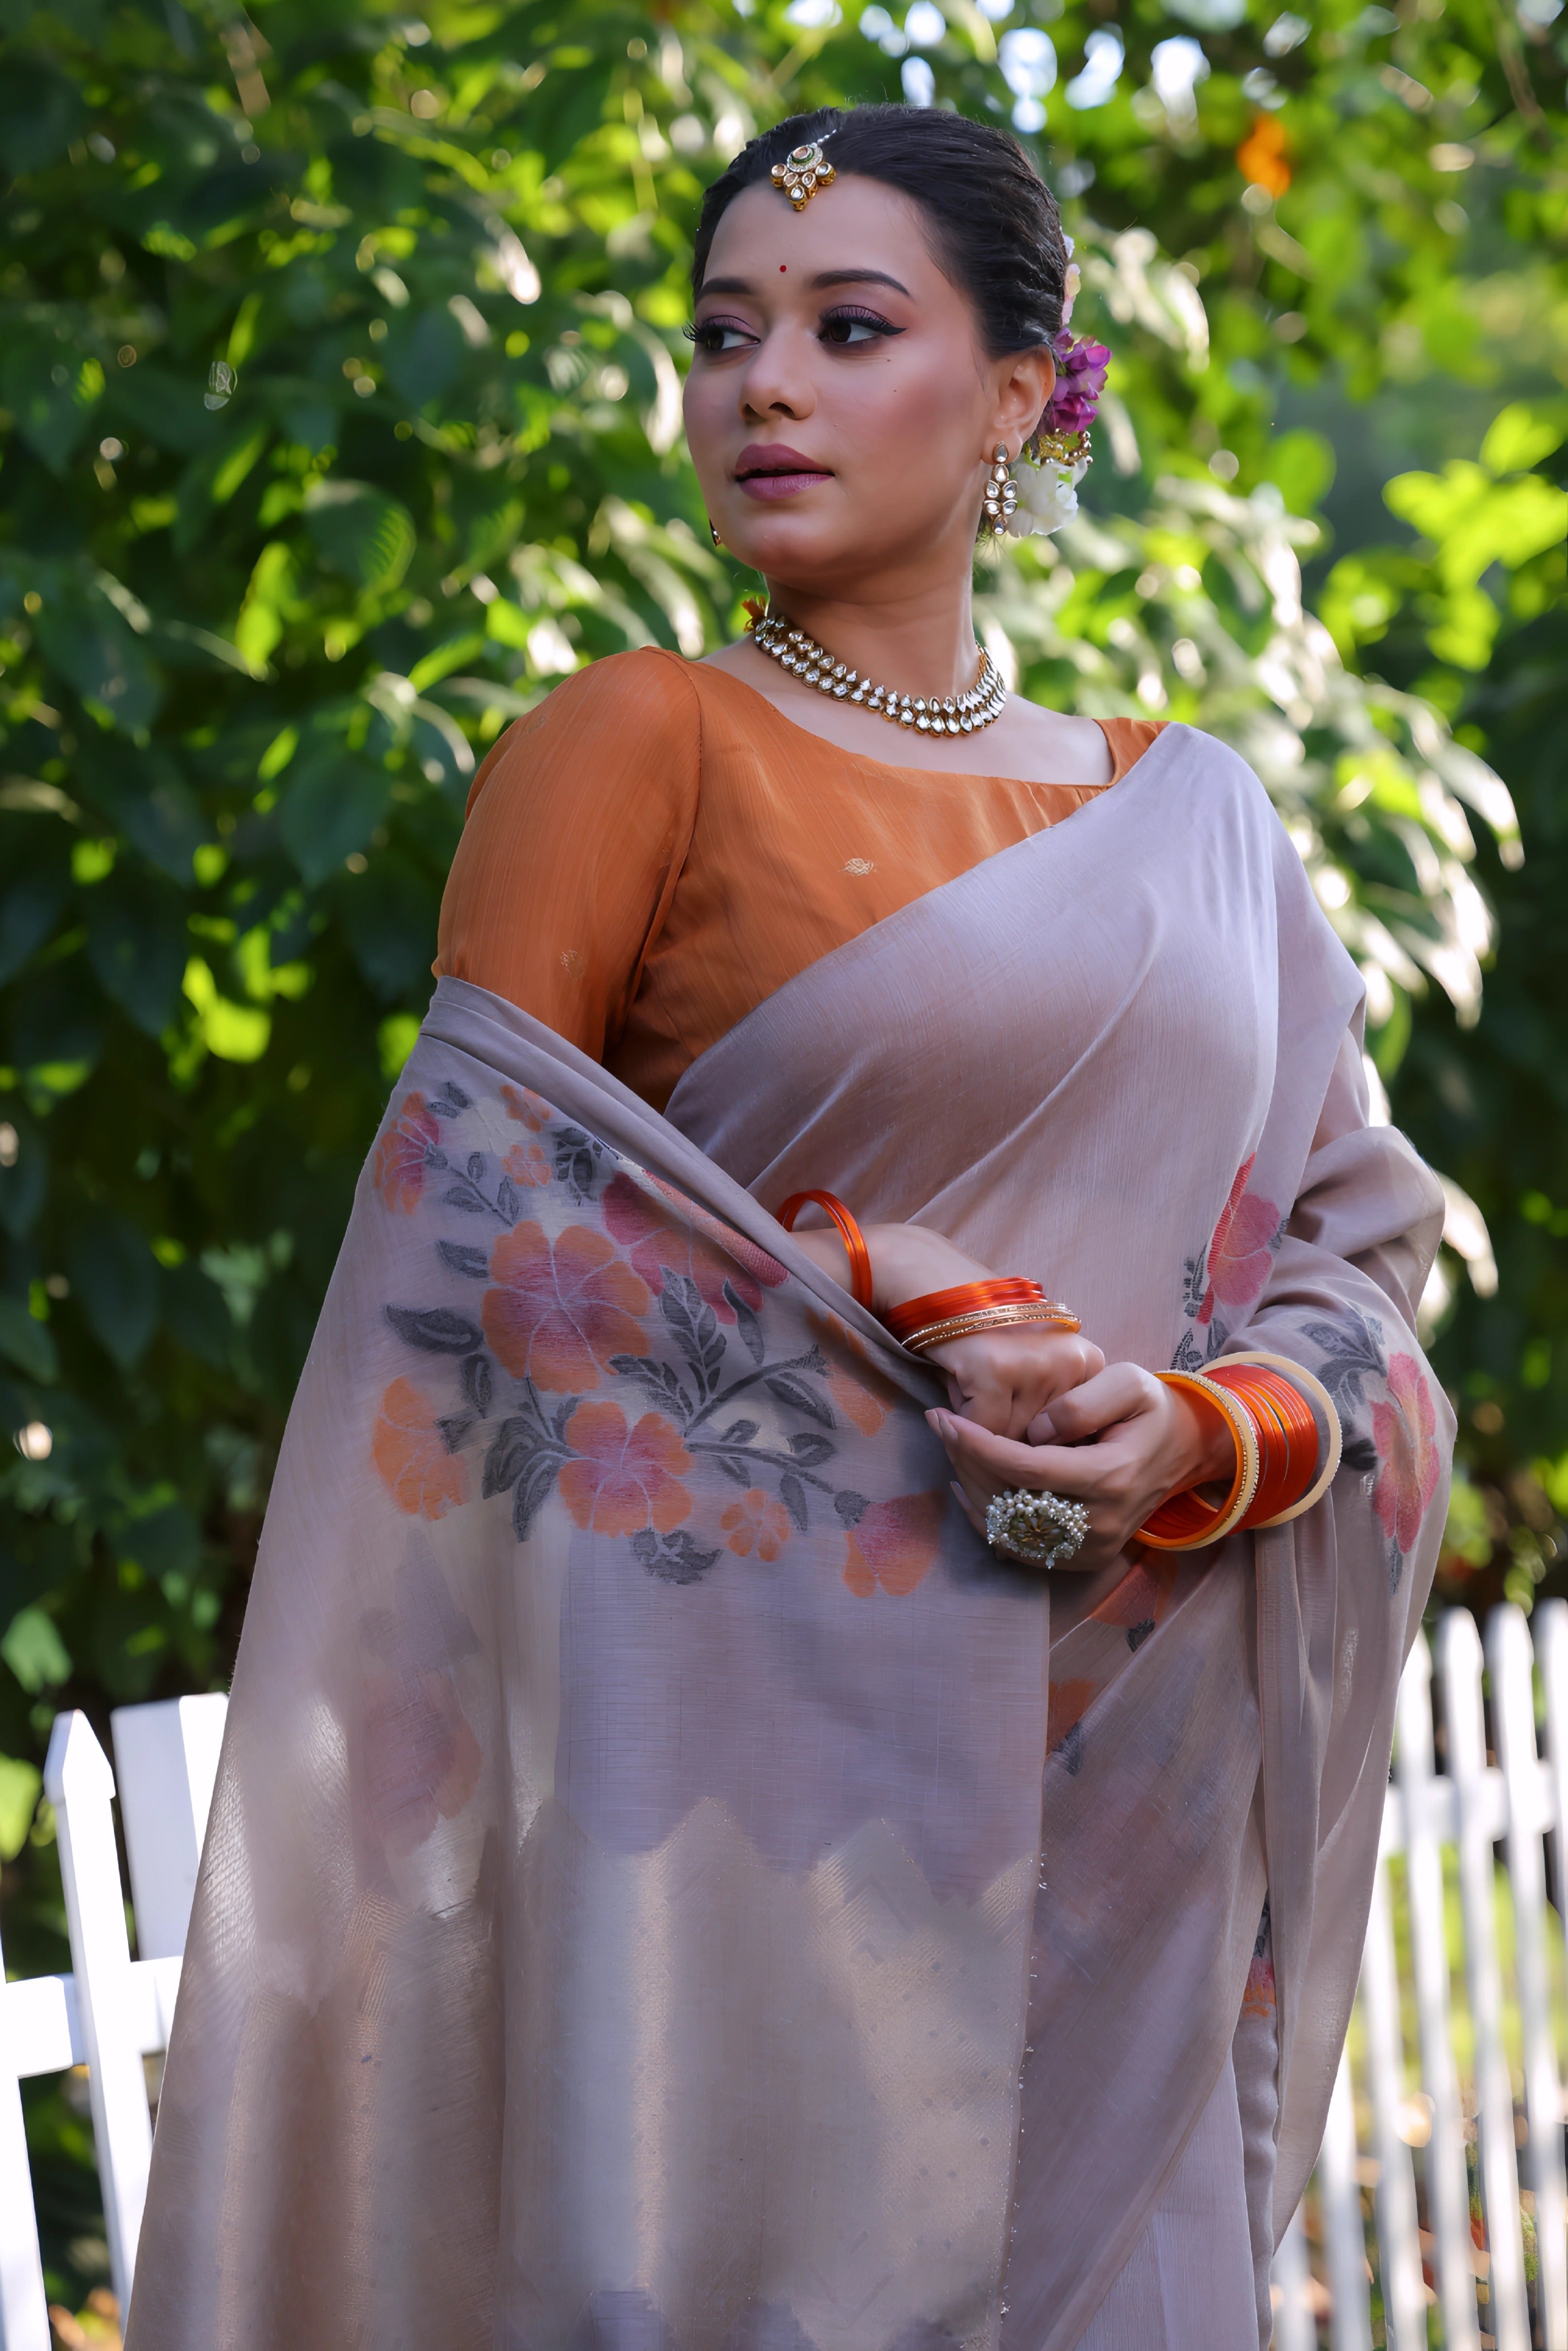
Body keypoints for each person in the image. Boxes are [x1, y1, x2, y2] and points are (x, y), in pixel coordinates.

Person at [127, 106, 1451, 2351]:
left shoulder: (1192, 819)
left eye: (849, 329)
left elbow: (1357, 1271)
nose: (763, 383)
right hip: (728, 1816)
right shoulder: (632, 743)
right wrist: (874, 1311)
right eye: (723, 332)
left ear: (1022, 397)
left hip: (1111, 1816)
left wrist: (1184, 1433)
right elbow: (464, 1299)